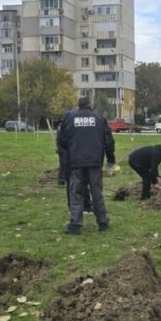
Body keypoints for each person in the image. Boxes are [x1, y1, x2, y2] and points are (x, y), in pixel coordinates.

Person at [58, 96, 115, 235]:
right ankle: (102, 222)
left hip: (76, 163)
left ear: (78, 106)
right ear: (90, 104)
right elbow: (109, 141)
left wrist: (67, 158)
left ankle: (75, 225)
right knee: (97, 193)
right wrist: (110, 159)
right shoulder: (99, 119)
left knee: (76, 193)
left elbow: (62, 141)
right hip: (94, 162)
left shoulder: (70, 120)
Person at [57, 109, 93, 213]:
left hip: (67, 157)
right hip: (73, 158)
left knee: (71, 183)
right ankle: (85, 206)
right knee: (80, 182)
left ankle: (73, 206)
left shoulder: (62, 126)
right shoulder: (68, 127)